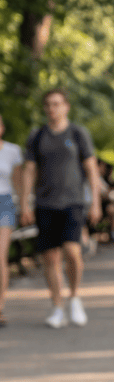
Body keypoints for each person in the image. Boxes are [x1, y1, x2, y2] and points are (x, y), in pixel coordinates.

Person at [19, 88, 101, 328]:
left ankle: (75, 296)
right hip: (45, 203)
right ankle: (57, 306)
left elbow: (91, 169)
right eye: (48, 105)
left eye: (57, 104)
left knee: (72, 252)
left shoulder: (77, 134)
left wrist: (95, 202)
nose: (52, 109)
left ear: (66, 107)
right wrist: (25, 203)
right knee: (50, 258)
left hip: (73, 202)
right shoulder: (37, 136)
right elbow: (29, 170)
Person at [0, 112, 24, 327]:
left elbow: (19, 182)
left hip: (4, 203)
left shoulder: (12, 151)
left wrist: (24, 207)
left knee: (0, 257)